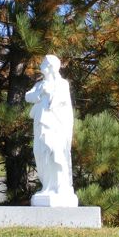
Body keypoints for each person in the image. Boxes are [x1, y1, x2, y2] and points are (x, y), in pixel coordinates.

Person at [25, 55, 75, 202]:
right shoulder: (40, 84)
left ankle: (60, 186)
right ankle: (47, 186)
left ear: (51, 67)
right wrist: (40, 92)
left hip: (55, 125)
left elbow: (60, 102)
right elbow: (28, 97)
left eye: (44, 64)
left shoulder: (62, 84)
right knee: (41, 152)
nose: (41, 66)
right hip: (41, 123)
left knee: (55, 152)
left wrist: (49, 92)